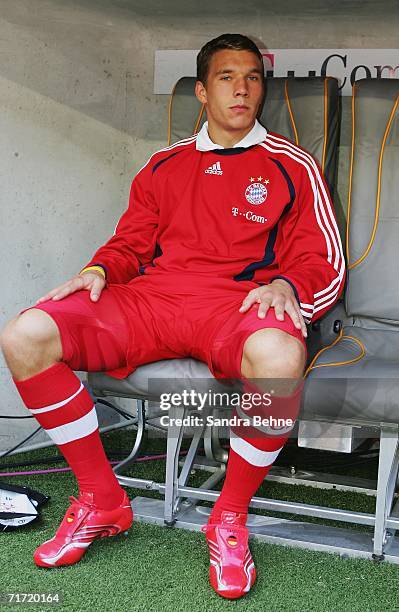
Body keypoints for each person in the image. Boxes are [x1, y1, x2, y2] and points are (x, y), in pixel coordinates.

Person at [0, 33, 344, 599]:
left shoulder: (291, 164)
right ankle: (102, 499)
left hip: (234, 305)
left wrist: (287, 284)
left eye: (253, 77)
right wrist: (100, 270)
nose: (242, 89)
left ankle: (228, 517)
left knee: (281, 354)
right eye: (228, 77)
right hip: (154, 300)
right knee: (26, 335)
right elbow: (130, 244)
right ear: (203, 94)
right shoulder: (164, 165)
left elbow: (321, 258)